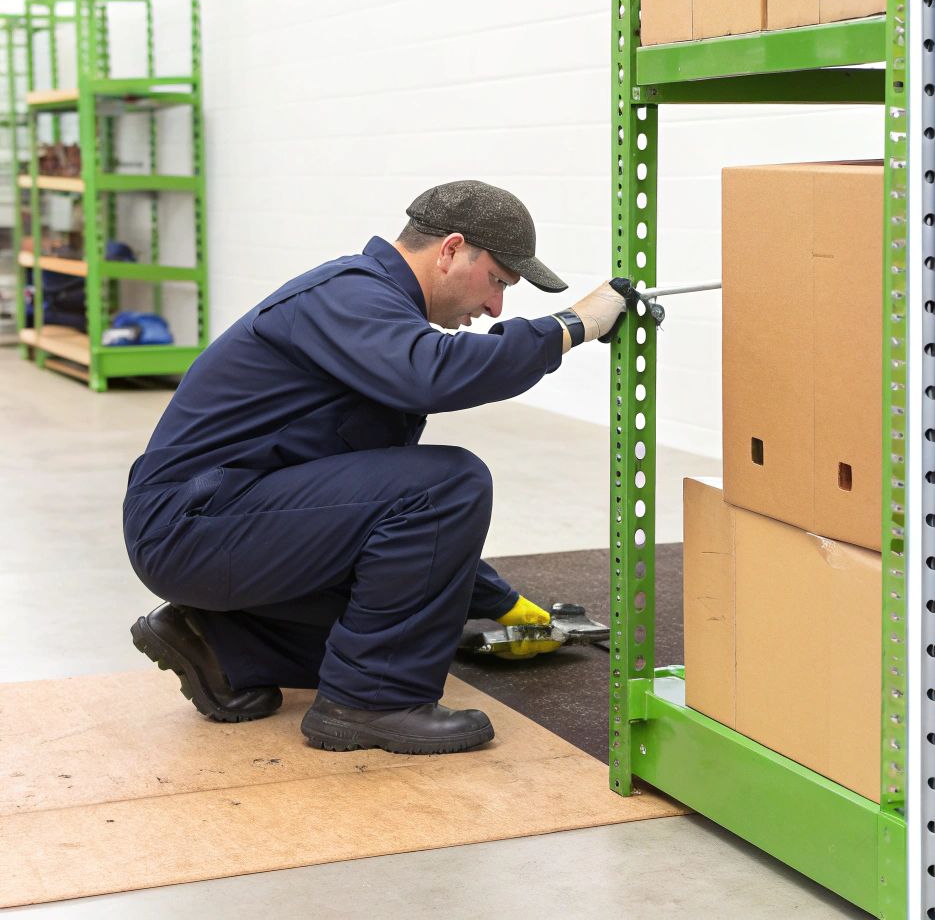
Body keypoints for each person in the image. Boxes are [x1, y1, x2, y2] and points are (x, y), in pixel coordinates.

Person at [122, 180, 629, 755]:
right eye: (497, 282)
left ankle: (217, 643)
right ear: (450, 250)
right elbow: (435, 375)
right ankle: (371, 704)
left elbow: (362, 508)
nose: (495, 307)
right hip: (193, 527)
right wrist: (572, 326)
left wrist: (496, 601)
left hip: (225, 522)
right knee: (450, 482)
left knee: (418, 625)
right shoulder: (351, 296)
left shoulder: (378, 313)